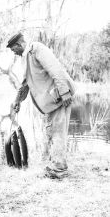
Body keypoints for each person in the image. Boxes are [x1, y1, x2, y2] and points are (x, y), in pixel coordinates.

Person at [6, 32, 75, 179]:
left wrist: (64, 92)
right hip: (51, 102)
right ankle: (54, 166)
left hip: (60, 98)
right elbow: (25, 84)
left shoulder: (37, 49)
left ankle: (59, 170)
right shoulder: (26, 58)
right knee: (51, 132)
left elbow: (55, 69)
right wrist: (17, 101)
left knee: (57, 133)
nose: (14, 53)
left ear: (19, 45)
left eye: (14, 50)